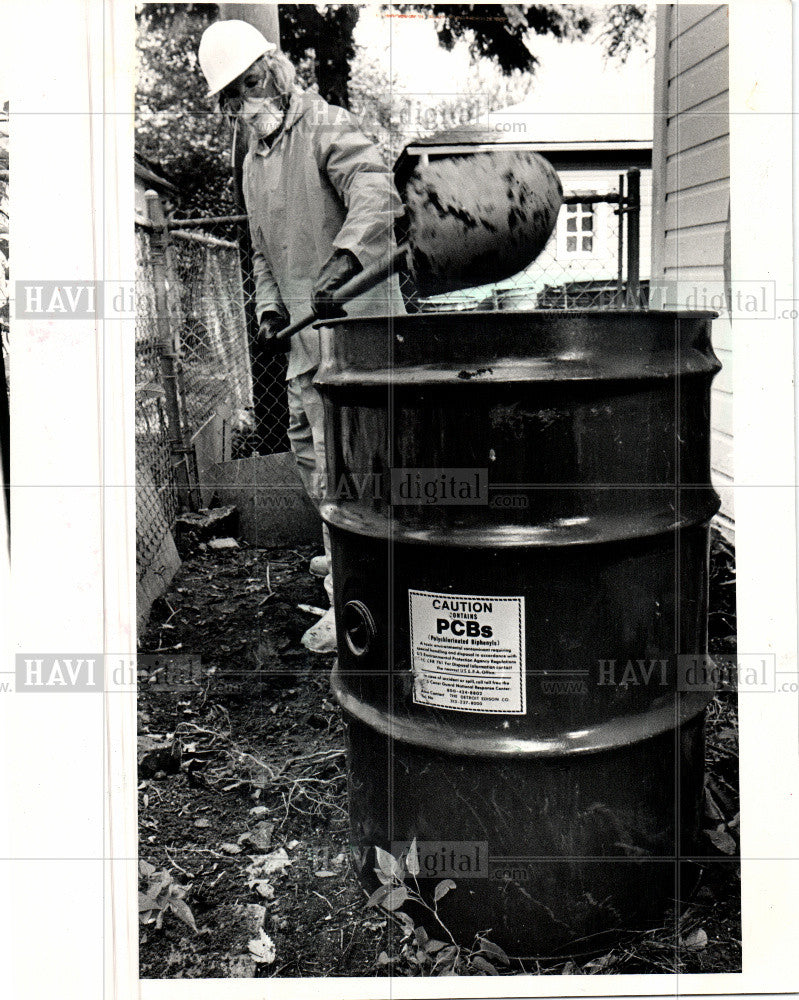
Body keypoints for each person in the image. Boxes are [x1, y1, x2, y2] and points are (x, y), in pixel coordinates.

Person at [198, 20, 404, 653]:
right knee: (312, 453)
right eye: (232, 97)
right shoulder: (253, 166)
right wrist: (266, 309)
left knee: (358, 465)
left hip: (359, 334)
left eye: (251, 84)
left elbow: (376, 191)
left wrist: (344, 260)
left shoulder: (327, 125)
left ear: (278, 70)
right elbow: (260, 251)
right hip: (301, 338)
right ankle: (339, 552)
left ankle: (362, 594)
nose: (245, 104)